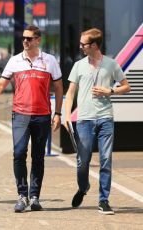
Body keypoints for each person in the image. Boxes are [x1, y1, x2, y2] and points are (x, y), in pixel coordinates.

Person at [0, 25, 63, 212]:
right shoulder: (15, 61)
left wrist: (58, 113)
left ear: (38, 40)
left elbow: (58, 88)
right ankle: (22, 195)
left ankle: (34, 197)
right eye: (24, 38)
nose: (25, 41)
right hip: (20, 115)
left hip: (42, 115)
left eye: (29, 38)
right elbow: (2, 83)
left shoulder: (49, 61)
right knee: (18, 154)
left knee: (38, 157)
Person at [64, 28, 130, 215]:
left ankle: (103, 200)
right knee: (82, 162)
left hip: (105, 118)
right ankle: (83, 187)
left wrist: (110, 91)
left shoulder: (111, 64)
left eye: (83, 44)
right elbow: (70, 93)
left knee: (106, 159)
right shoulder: (78, 65)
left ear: (93, 45)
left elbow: (126, 86)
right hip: (84, 120)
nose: (80, 47)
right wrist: (66, 115)